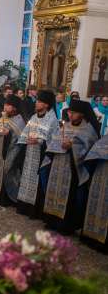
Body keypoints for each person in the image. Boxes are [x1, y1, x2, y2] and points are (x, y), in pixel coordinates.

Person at [41, 100, 99, 234]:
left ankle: (65, 225)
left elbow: (90, 150)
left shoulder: (88, 130)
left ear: (82, 115)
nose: (70, 115)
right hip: (57, 165)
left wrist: (73, 146)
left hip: (73, 169)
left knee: (69, 196)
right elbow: (54, 141)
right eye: (69, 112)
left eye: (74, 113)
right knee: (54, 191)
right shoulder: (65, 126)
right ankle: (51, 220)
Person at [16, 90, 59, 218]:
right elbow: (25, 132)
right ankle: (24, 206)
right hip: (29, 153)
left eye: (39, 101)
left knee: (38, 182)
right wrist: (25, 140)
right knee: (26, 179)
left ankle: (35, 211)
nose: (36, 103)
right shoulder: (34, 117)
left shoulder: (52, 120)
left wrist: (39, 141)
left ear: (46, 105)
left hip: (42, 156)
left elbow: (53, 140)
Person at [81, 134, 107, 250]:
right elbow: (92, 154)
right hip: (100, 173)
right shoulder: (106, 137)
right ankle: (91, 236)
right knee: (96, 203)